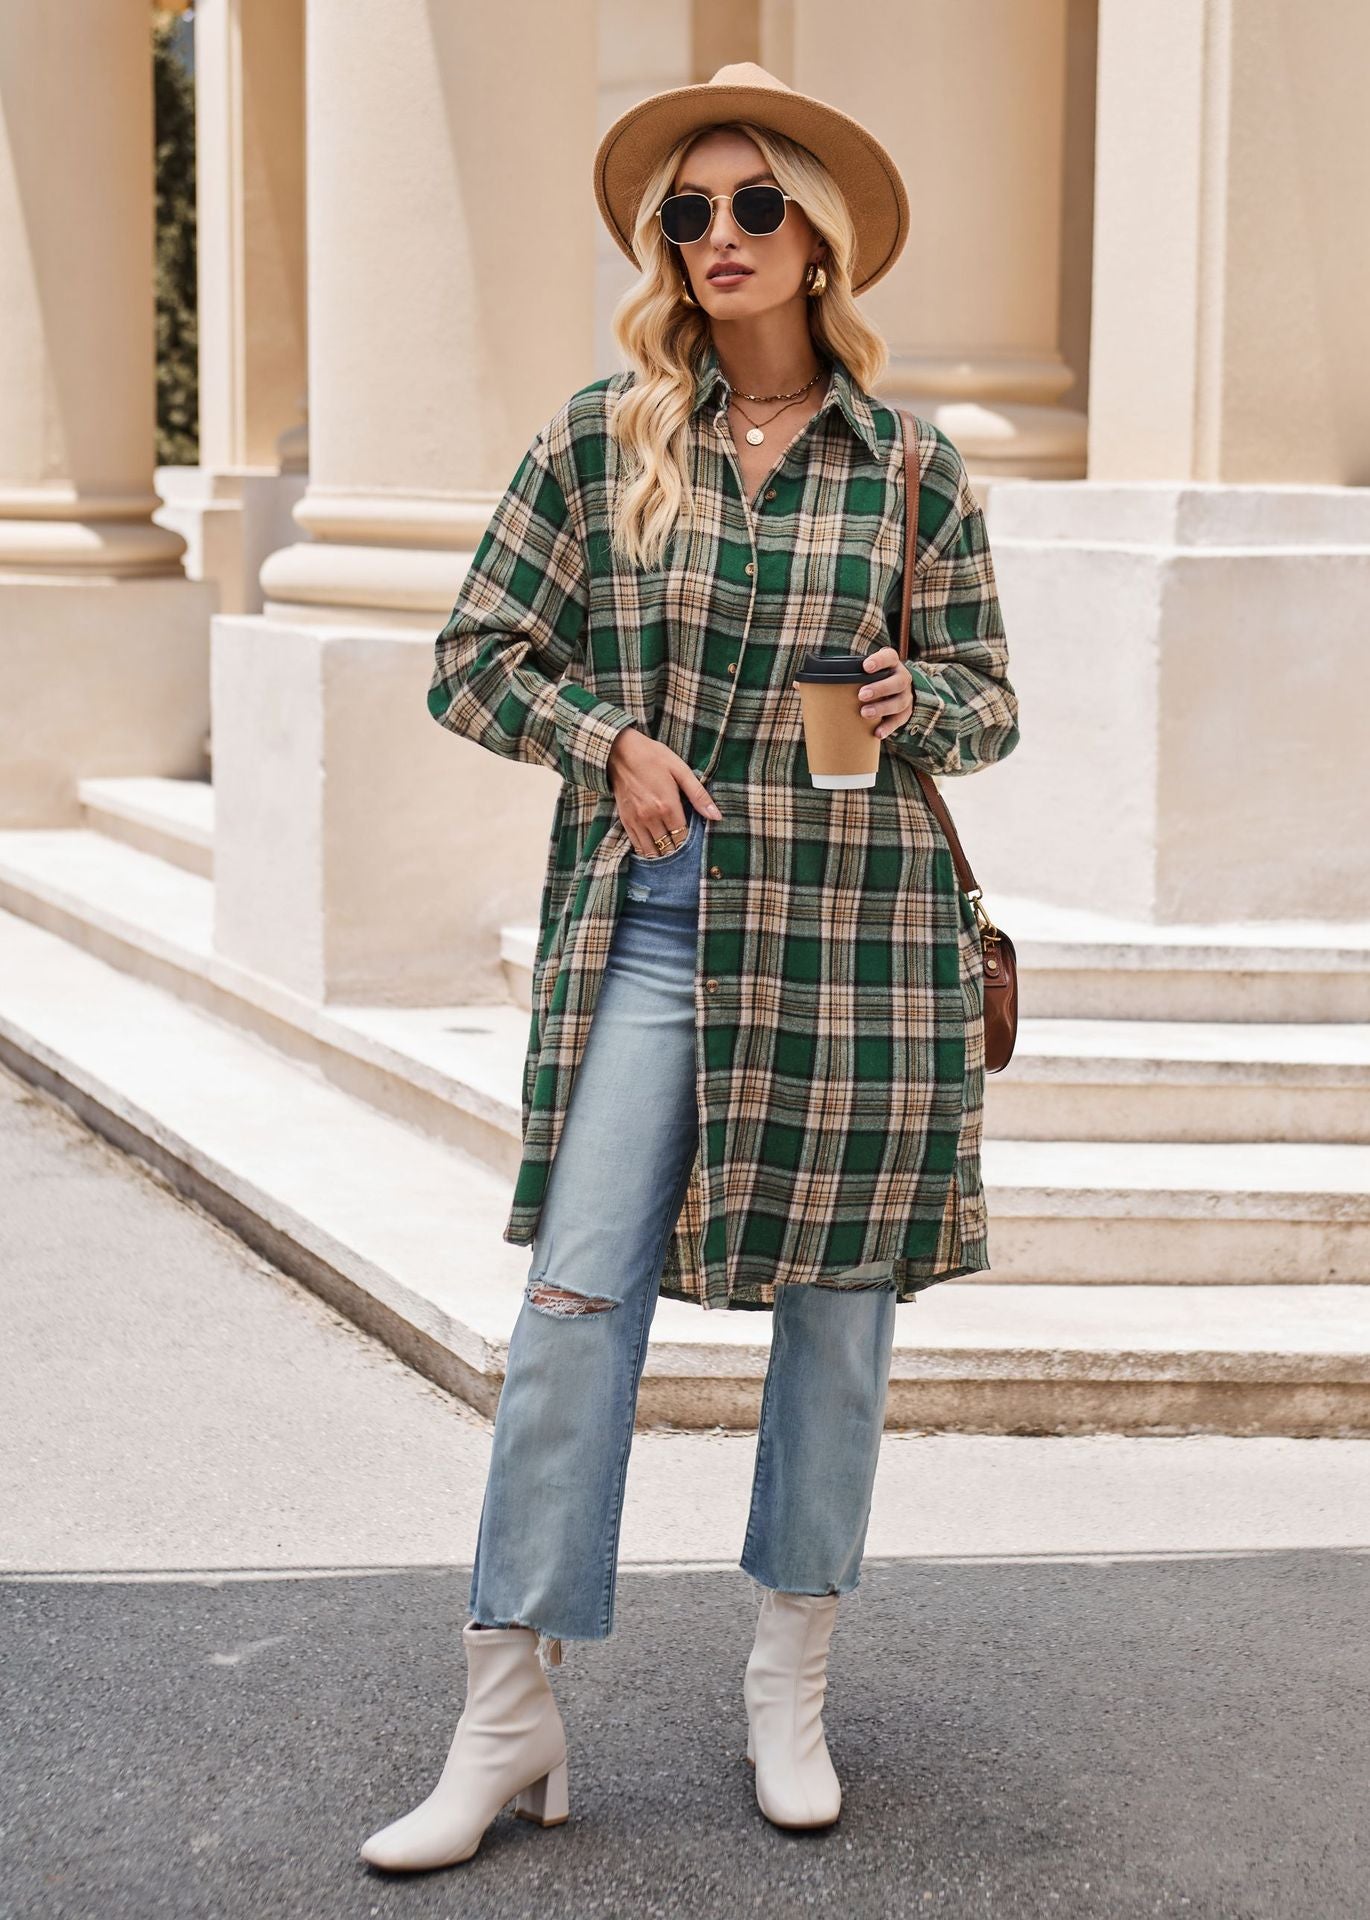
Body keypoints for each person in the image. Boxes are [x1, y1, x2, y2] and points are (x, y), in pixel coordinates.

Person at [360, 60, 1020, 1872]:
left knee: (839, 1321)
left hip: (858, 943)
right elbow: (474, 655)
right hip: (658, 927)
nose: (716, 236)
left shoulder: (910, 469)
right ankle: (506, 1713)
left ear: (817, 241)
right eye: (687, 213)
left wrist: (912, 698)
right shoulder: (600, 441)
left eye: (752, 206)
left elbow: (988, 706)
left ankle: (787, 1688)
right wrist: (606, 742)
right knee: (574, 1309)